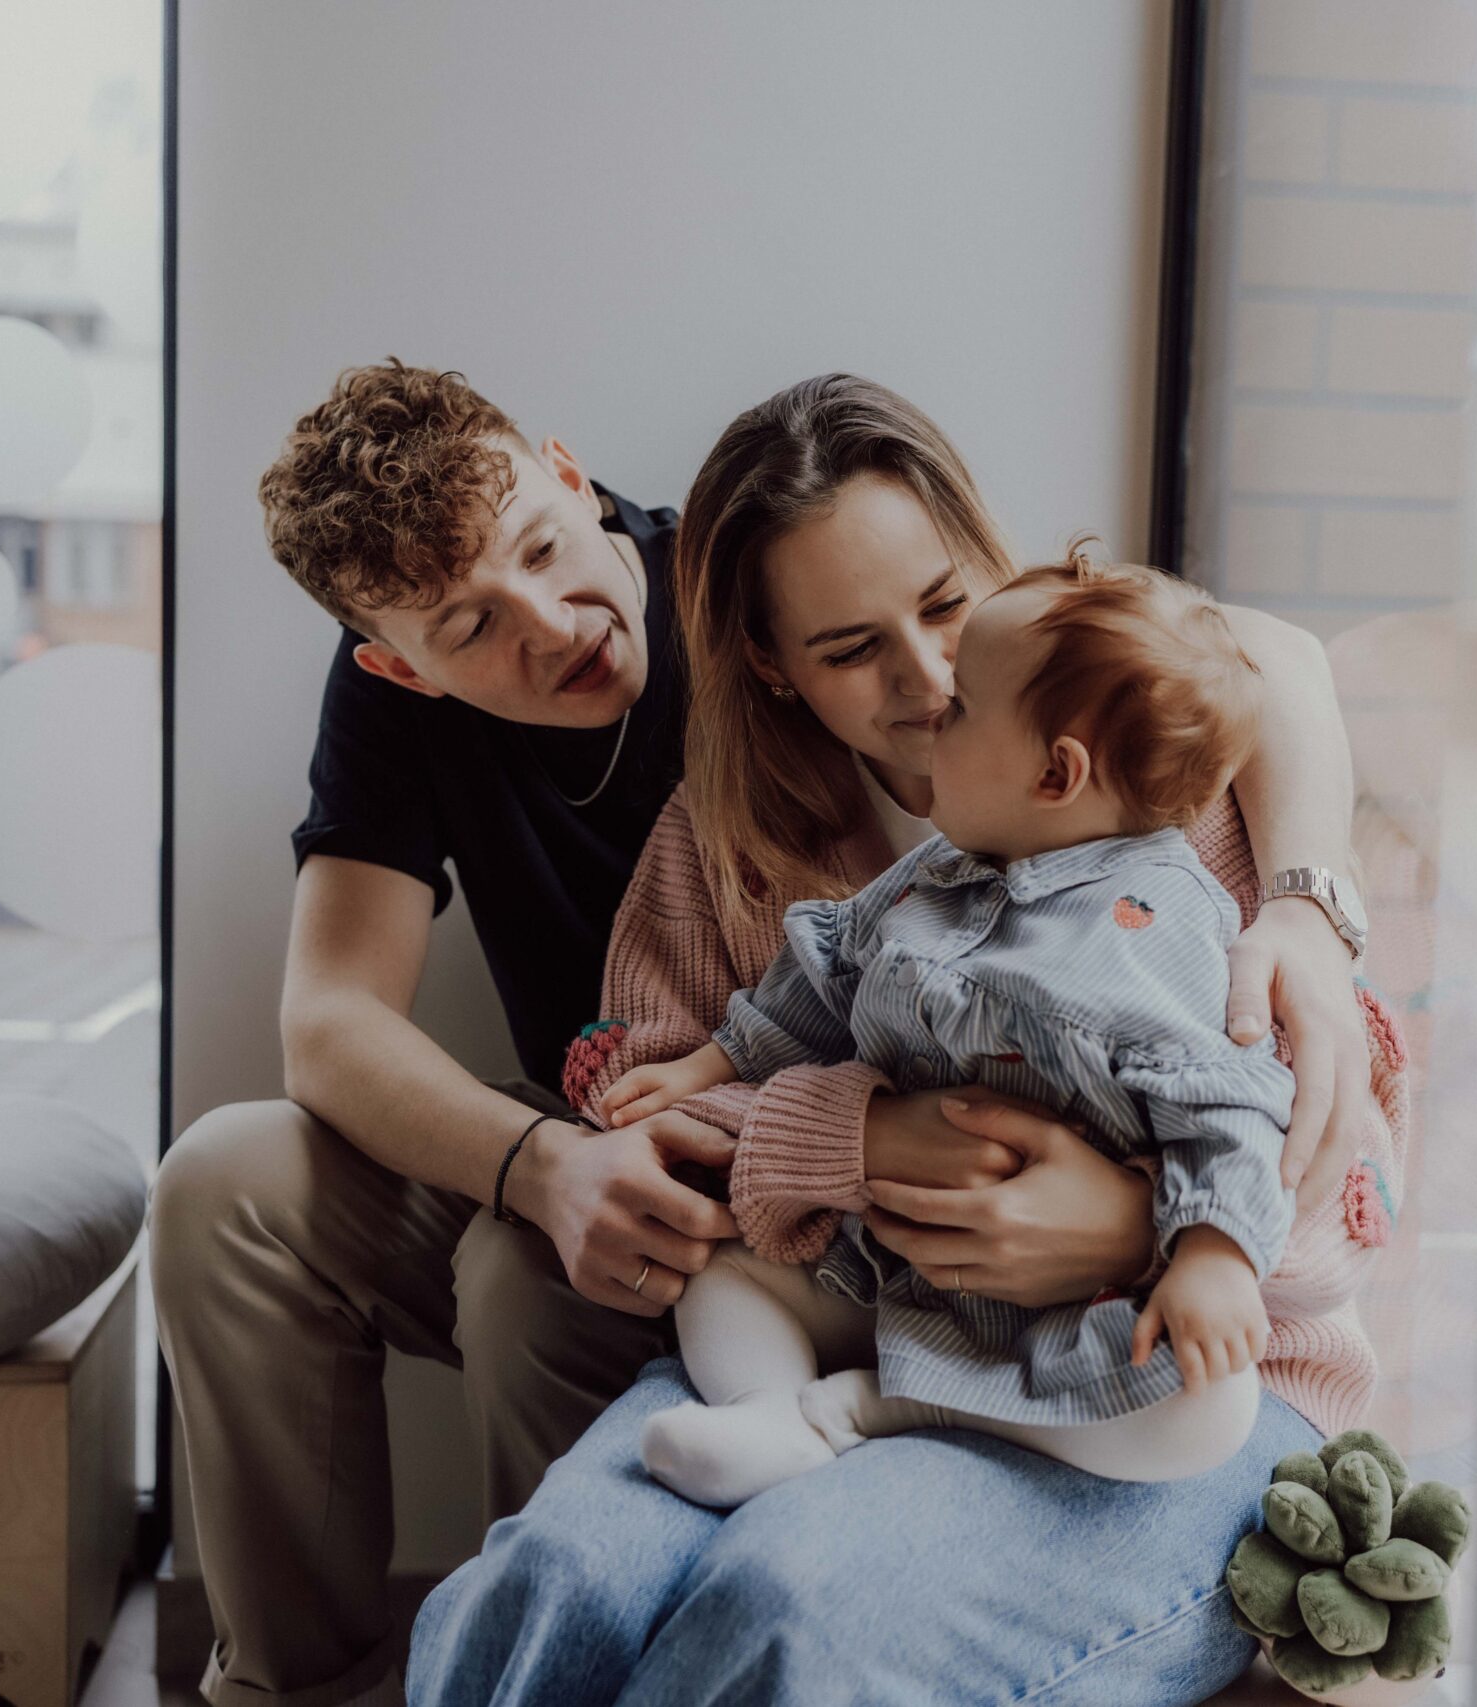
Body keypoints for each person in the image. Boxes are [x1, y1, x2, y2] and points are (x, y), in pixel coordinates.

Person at [406, 376, 1408, 1706]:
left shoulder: (1176, 809)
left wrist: (1137, 1227)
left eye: (944, 605)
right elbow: (651, 1133)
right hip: (859, 1332)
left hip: (1171, 1381)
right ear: (773, 663)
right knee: (556, 1581)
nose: (929, 681)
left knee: (789, 1604)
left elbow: (1328, 1186)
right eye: (848, 648)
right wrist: (860, 1135)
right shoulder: (721, 852)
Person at [609, 556, 1340, 1504]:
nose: (931, 713)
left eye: (958, 709)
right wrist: (712, 1061)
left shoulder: (1153, 927)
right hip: (892, 1270)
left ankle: (869, 1411)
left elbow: (1230, 1101)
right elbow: (822, 972)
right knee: (724, 1276)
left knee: (1209, 1405)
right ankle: (767, 1409)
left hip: (1067, 1312)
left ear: (1055, 772)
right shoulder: (933, 876)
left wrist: (1214, 1254)